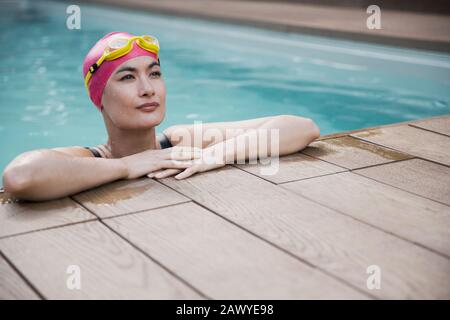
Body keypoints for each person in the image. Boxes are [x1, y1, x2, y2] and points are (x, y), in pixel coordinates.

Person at [2, 31, 320, 202]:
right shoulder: (90, 157)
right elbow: (21, 177)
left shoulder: (178, 141)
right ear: (99, 98)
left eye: (154, 74)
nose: (147, 89)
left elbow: (302, 128)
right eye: (127, 78)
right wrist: (127, 166)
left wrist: (213, 156)